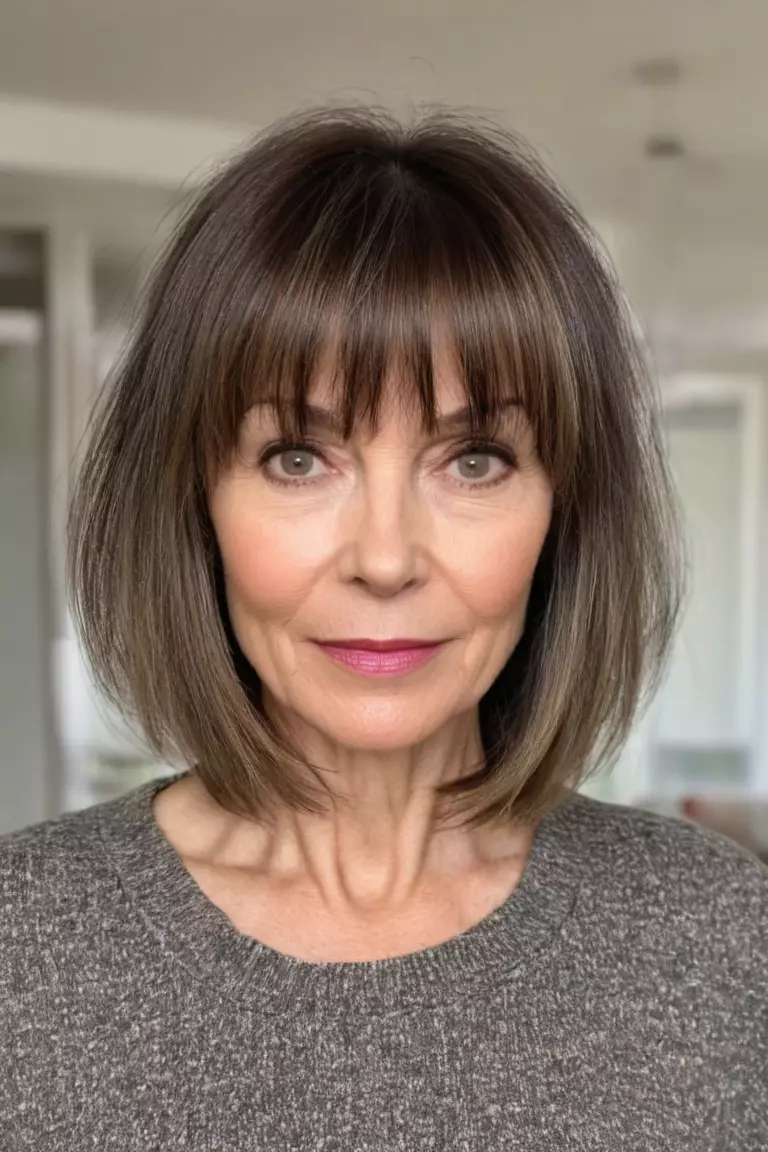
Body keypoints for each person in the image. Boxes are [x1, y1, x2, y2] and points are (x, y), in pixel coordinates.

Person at [1, 106, 766, 1151]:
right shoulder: (25, 947)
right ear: (196, 502)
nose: (387, 557)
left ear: (563, 512)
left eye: (475, 460)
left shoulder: (723, 940)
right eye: (299, 458)